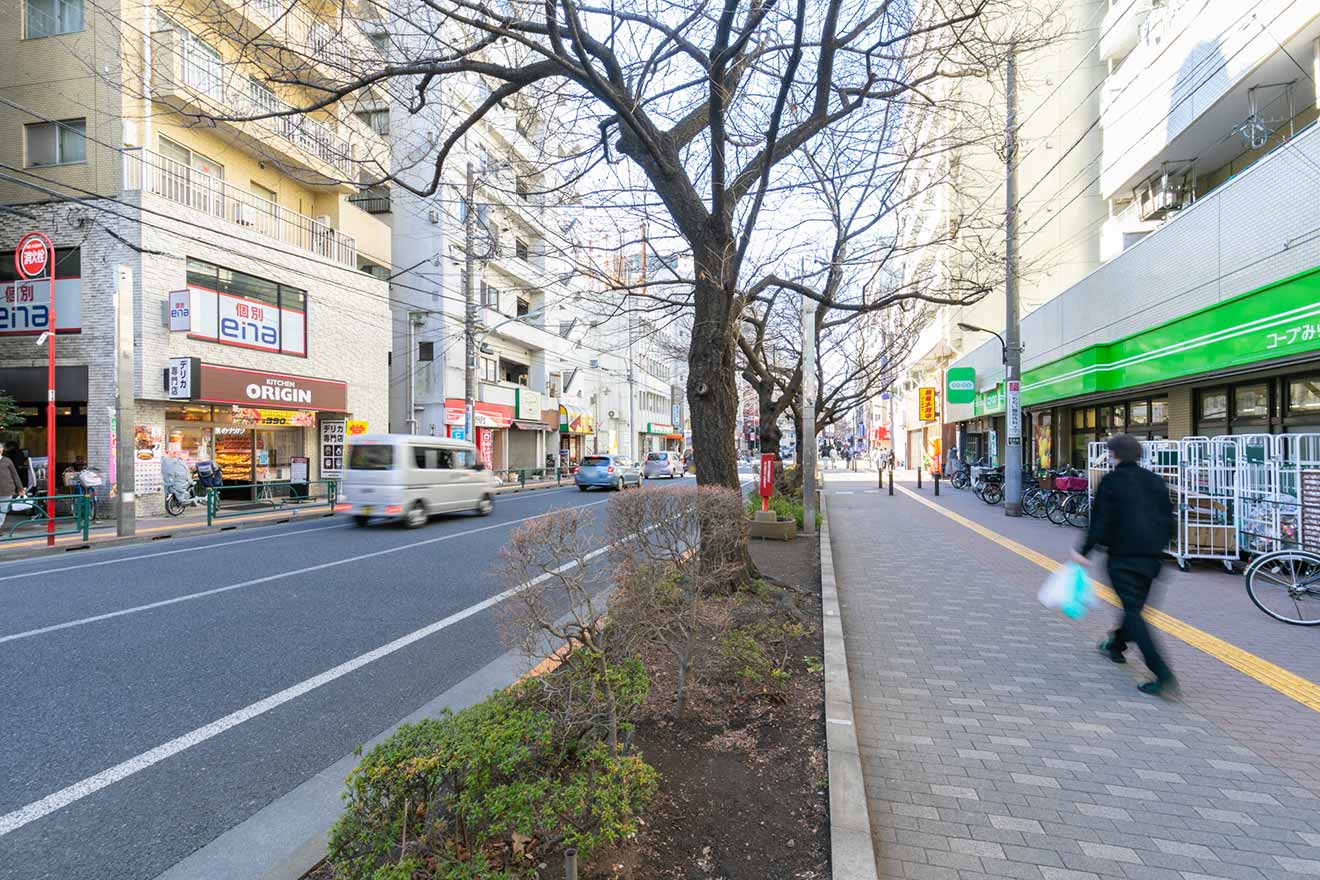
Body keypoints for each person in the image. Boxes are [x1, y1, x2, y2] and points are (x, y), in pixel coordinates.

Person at [1073, 434, 1177, 695]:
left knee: (1134, 613)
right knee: (1134, 609)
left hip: (1122, 558)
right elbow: (1169, 520)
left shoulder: (1111, 481)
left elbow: (1099, 521)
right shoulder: (1155, 481)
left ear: (1114, 454)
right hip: (1154, 559)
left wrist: (1084, 552)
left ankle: (1162, 673)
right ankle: (1116, 645)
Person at [0, 446, 23, 531]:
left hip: (7, 490)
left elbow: (15, 475)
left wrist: (20, 489)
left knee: (3, 511)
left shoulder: (7, 460)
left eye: (0, 448)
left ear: (2, 449)